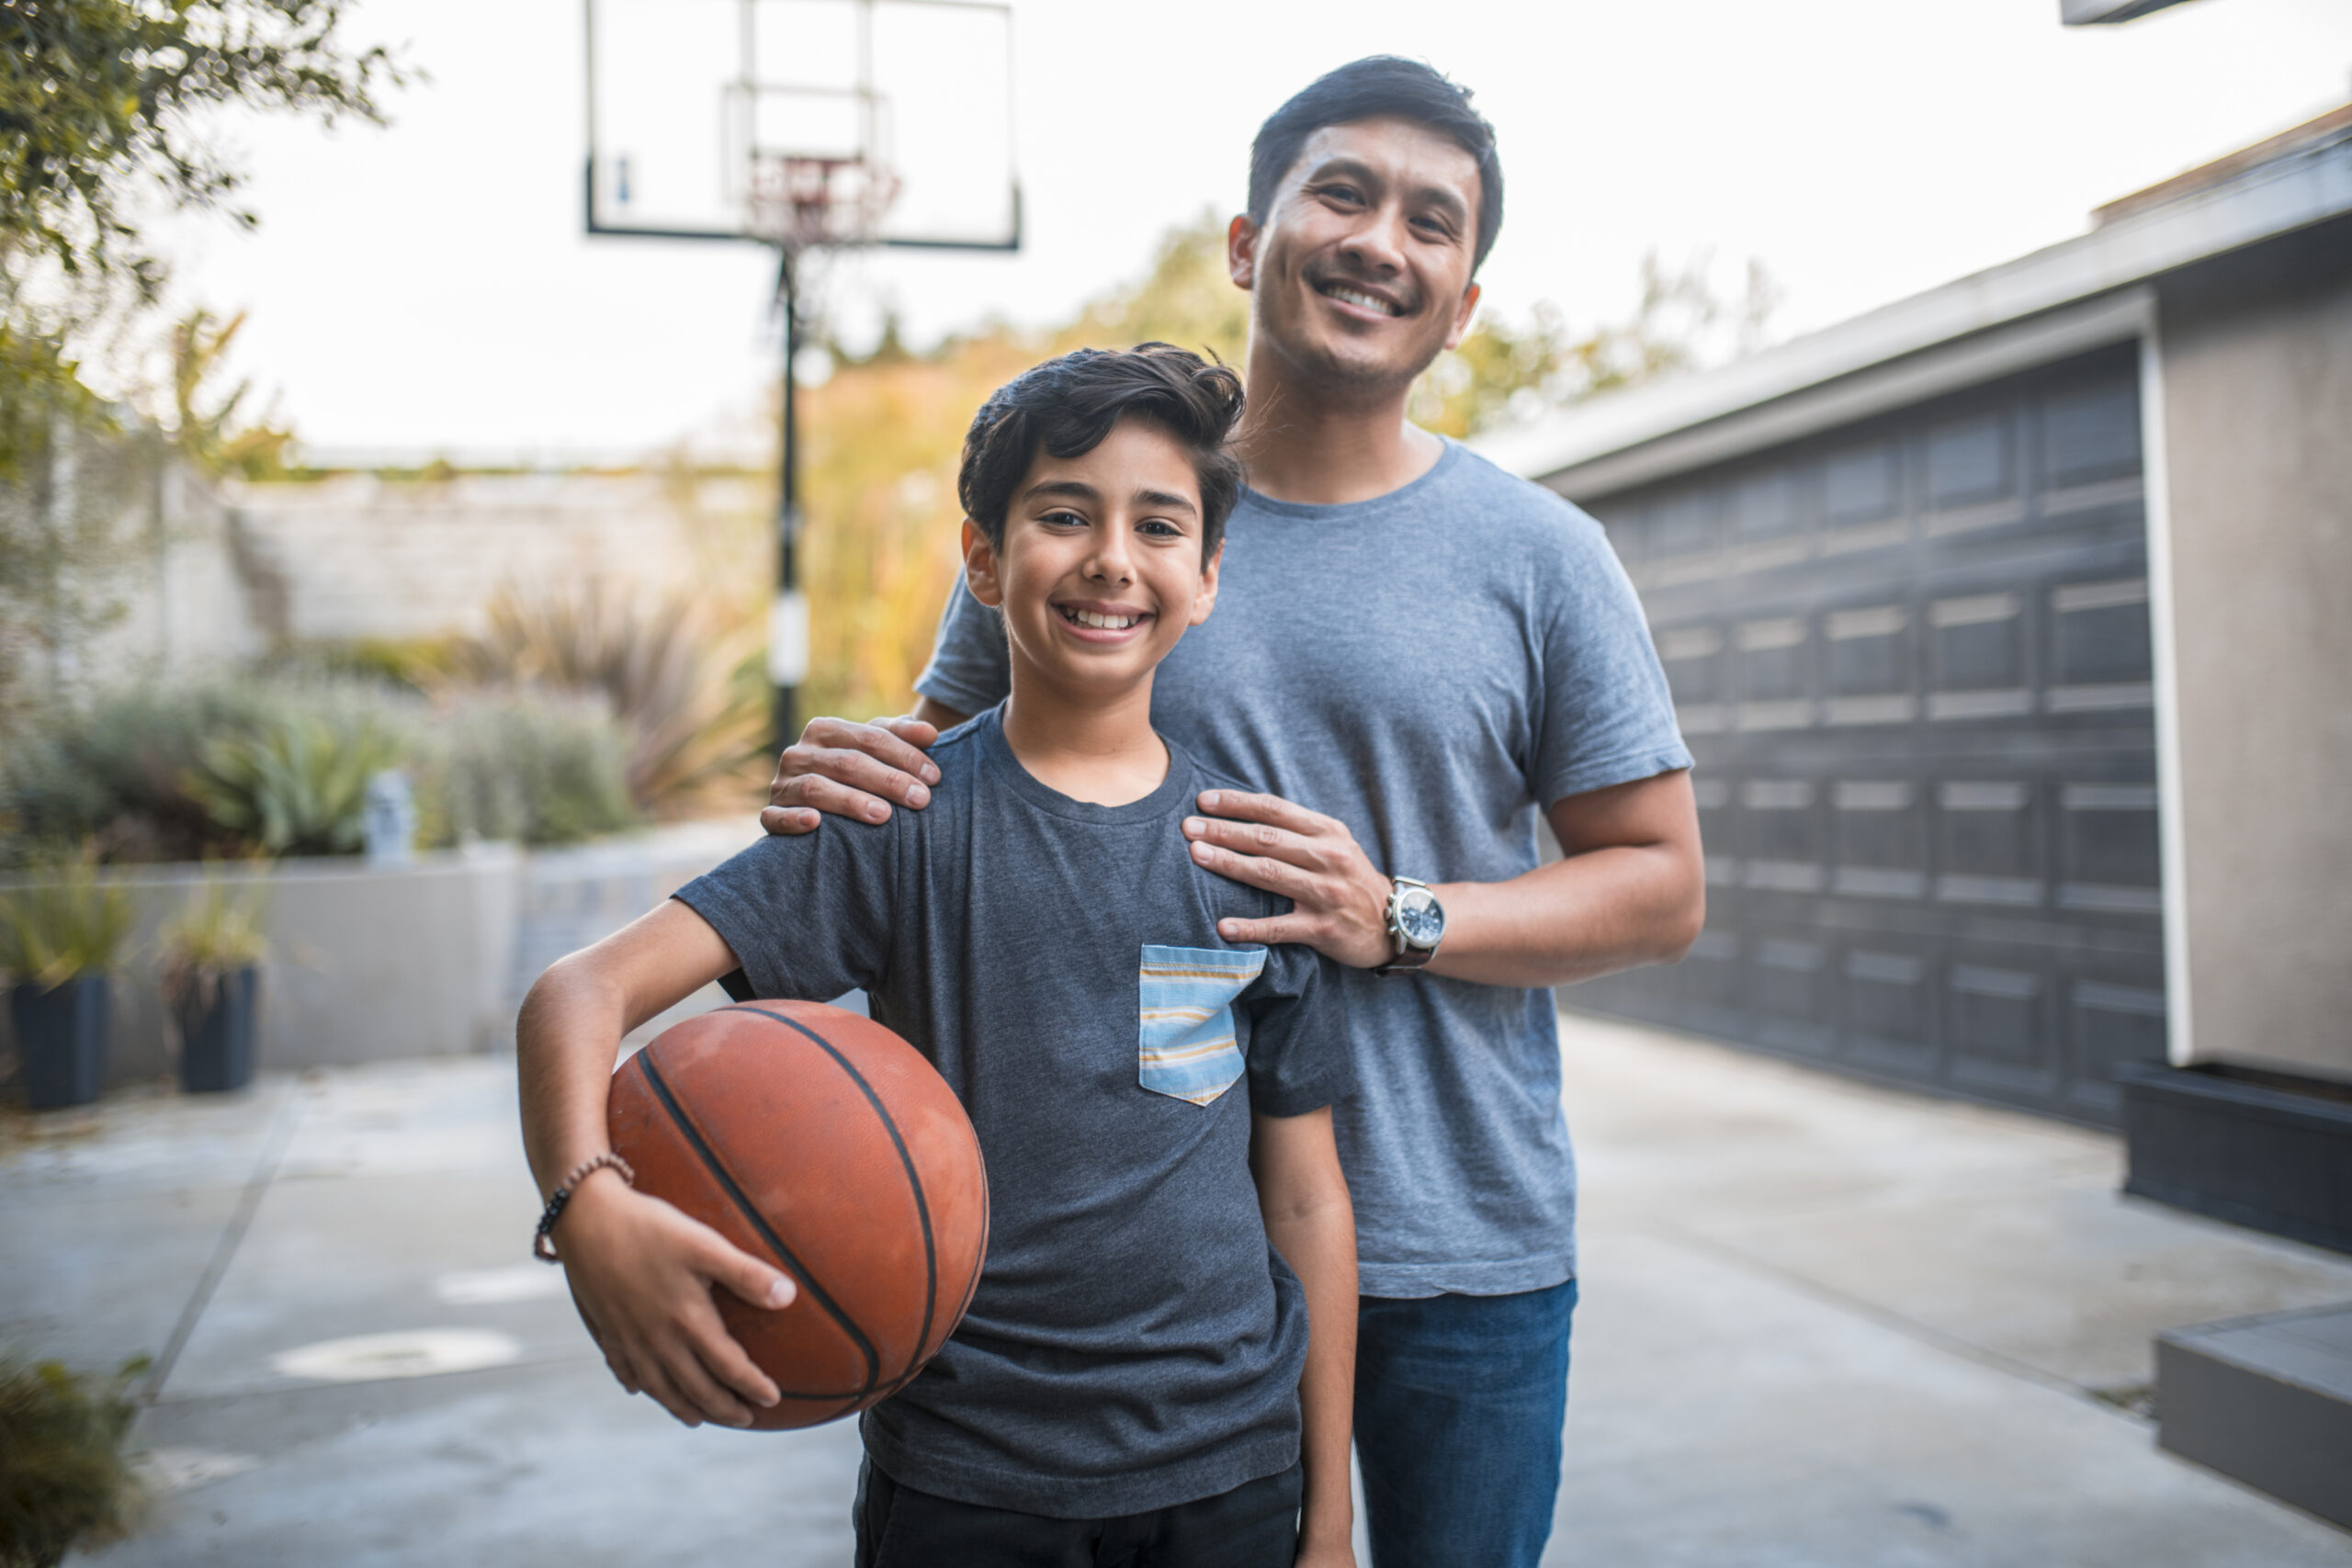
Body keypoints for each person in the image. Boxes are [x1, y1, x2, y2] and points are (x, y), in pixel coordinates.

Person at [762, 56, 1706, 1568]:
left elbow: (1659, 886)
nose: (1380, 240)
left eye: (1432, 222)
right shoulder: (1106, 523)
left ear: (1464, 300)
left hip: (1461, 1250)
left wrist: (1393, 917)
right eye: (1341, 190)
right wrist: (838, 773)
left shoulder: (1544, 556)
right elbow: (940, 786)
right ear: (1248, 241)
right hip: (1139, 1288)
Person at [518, 345, 1361, 1567]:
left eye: (1158, 524)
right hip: (972, 1482)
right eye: (1063, 515)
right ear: (983, 561)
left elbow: (1305, 1194)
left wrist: (1328, 1523)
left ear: (1207, 574)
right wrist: (586, 1207)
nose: (1112, 556)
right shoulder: (895, 826)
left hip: (1232, 1469)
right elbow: (577, 993)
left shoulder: (1249, 851)